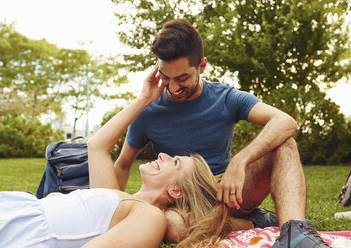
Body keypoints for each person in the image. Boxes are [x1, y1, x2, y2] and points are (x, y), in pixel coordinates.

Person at [114, 19, 331, 247]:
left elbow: (285, 122)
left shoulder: (225, 97)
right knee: (170, 225)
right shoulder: (148, 110)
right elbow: (123, 164)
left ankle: (296, 234)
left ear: (202, 66)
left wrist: (240, 161)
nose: (174, 88)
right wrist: (111, 214)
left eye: (182, 78)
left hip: (227, 191)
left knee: (285, 144)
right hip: (182, 200)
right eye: (166, 77)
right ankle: (248, 223)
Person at [0, 66, 252, 248]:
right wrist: (145, 98)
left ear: (176, 190)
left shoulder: (149, 218)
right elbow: (96, 145)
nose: (162, 154)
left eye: (174, 161)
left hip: (18, 232)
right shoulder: (115, 195)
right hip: (11, 209)